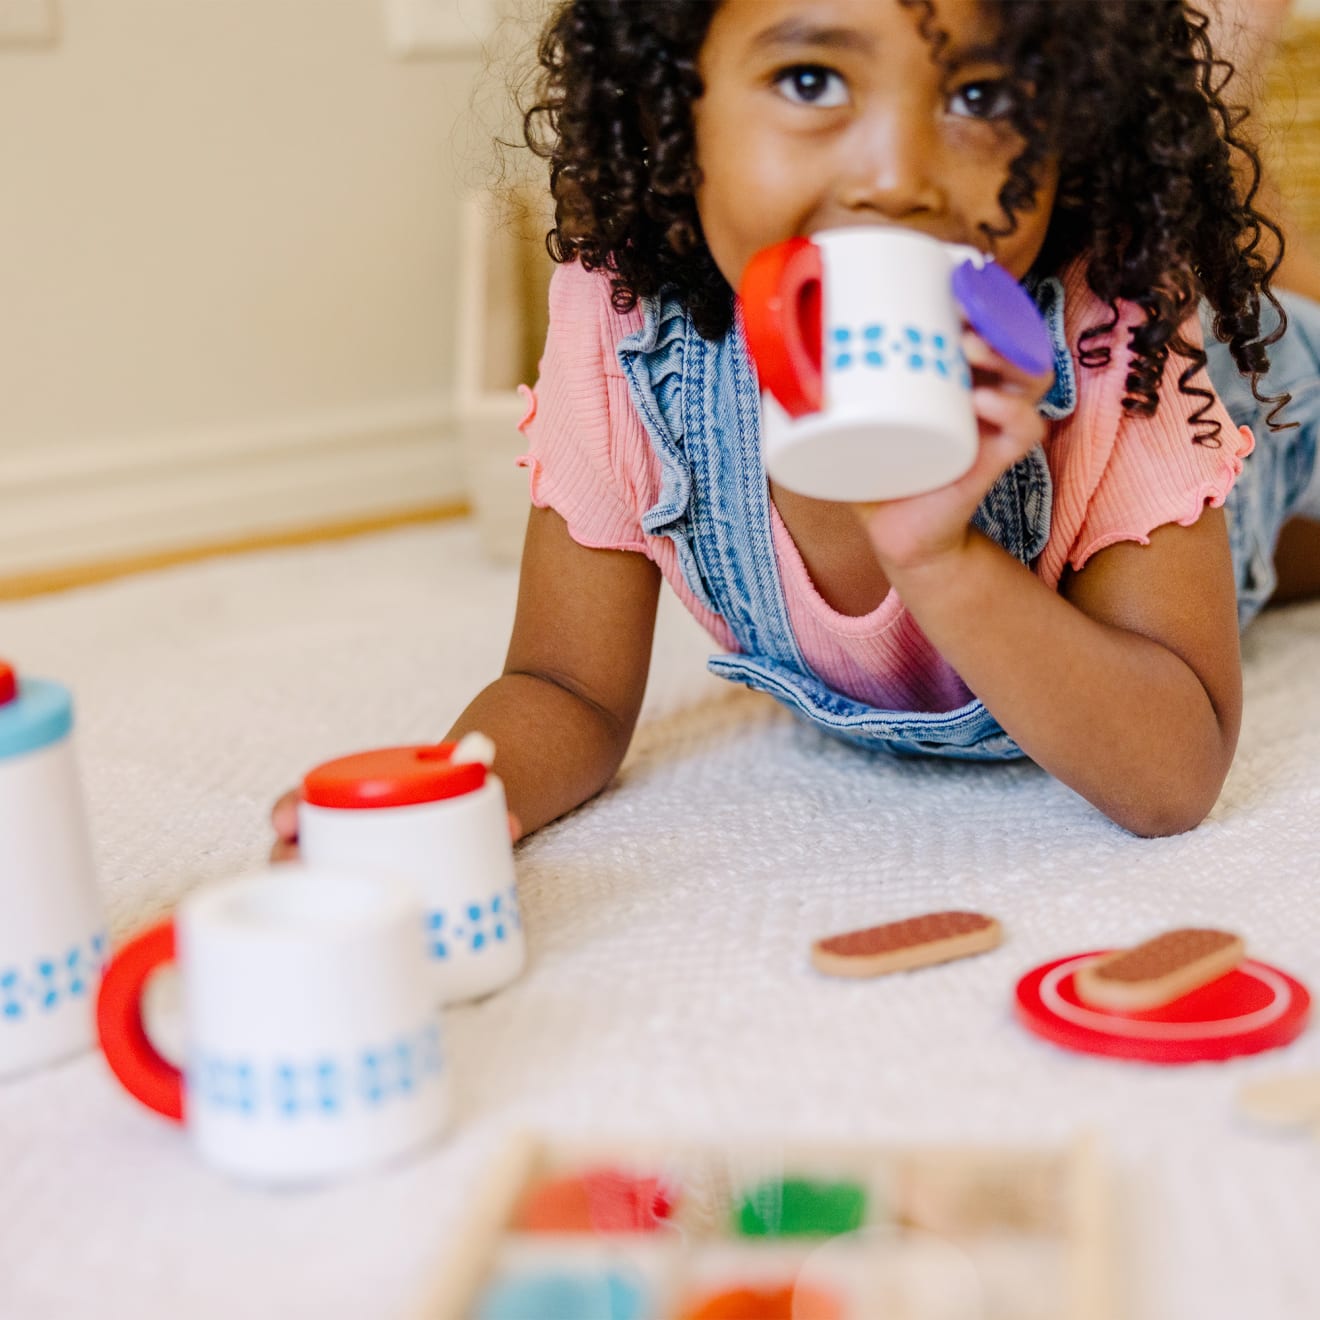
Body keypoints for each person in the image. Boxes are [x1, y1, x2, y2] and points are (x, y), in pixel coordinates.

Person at [273, 0, 1320, 854]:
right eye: (812, 80)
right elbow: (565, 687)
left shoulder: (1120, 328)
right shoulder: (630, 331)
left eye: (979, 94)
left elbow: (1173, 774)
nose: (900, 175)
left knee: (1278, 410)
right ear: (671, 116)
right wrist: (437, 812)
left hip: (1264, 406)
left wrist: (941, 558)